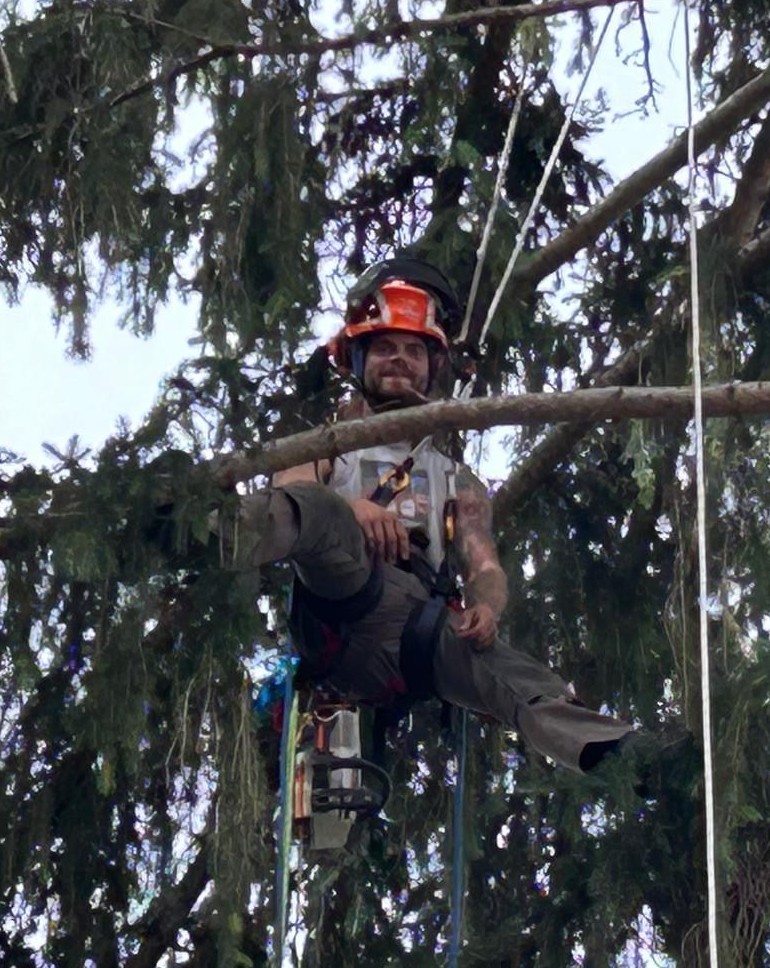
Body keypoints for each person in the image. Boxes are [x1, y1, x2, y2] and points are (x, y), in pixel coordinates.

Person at [237, 257, 636, 773]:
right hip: (341, 601)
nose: (400, 360)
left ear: (433, 366)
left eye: (413, 351)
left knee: (512, 675)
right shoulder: (325, 445)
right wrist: (352, 510)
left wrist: (485, 607)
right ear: (358, 359)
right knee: (319, 512)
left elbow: (485, 565)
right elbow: (291, 492)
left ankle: (622, 756)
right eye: (385, 348)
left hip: (417, 629)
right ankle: (214, 532)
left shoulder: (454, 478)